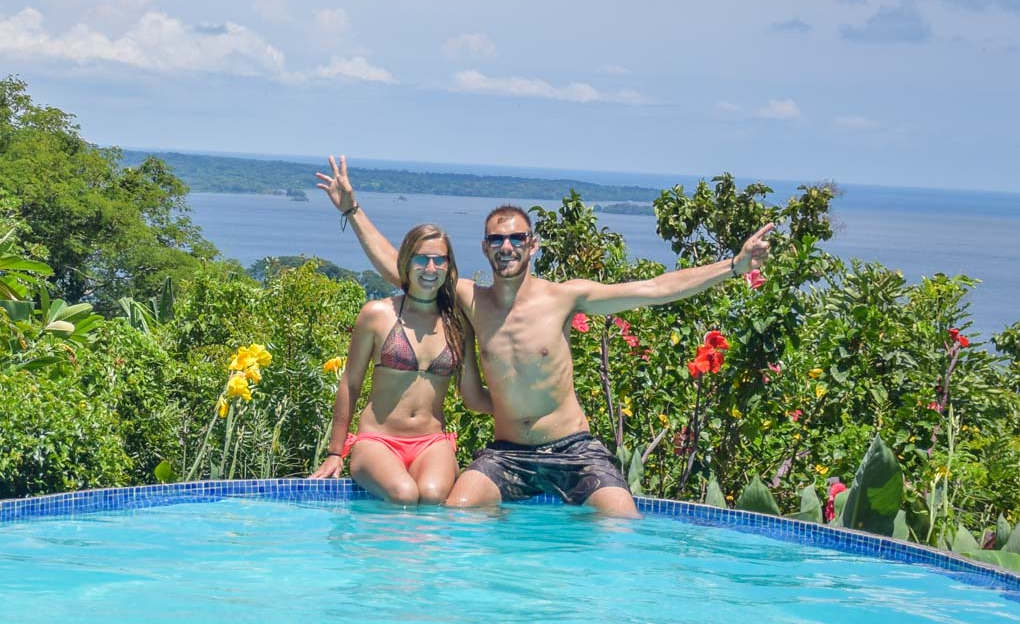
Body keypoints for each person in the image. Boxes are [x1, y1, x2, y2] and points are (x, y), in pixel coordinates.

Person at [317, 155, 773, 517]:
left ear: (532, 244)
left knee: (622, 525)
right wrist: (352, 210)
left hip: (574, 449)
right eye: (496, 240)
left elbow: (653, 290)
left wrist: (732, 267)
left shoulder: (564, 298)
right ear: (485, 248)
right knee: (454, 514)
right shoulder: (471, 300)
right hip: (508, 453)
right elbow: (400, 263)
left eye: (516, 238)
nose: (507, 247)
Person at [310, 223, 491, 506]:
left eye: (439, 260)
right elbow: (351, 382)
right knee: (403, 494)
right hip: (378, 440)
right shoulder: (378, 314)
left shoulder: (457, 325)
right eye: (421, 258)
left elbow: (472, 396)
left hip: (432, 442)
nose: (430, 268)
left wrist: (523, 414)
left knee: (432, 496)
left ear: (448, 266)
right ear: (406, 262)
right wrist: (335, 452)